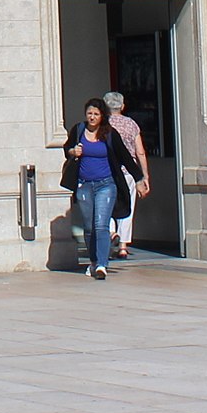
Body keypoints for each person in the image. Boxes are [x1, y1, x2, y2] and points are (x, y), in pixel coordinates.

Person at [62, 97, 135, 280]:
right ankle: (93, 261)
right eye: (90, 114)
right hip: (84, 185)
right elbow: (66, 148)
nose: (92, 117)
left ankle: (102, 264)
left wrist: (140, 178)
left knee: (101, 225)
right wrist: (73, 152)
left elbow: (125, 156)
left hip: (106, 184)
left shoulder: (110, 134)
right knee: (89, 227)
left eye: (96, 114)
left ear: (102, 116)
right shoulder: (78, 130)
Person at [102, 92, 151, 260]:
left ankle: (111, 231)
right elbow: (140, 152)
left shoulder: (103, 124)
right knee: (127, 206)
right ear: (122, 106)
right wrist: (144, 176)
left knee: (106, 203)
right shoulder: (131, 124)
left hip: (108, 169)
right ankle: (123, 245)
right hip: (128, 172)